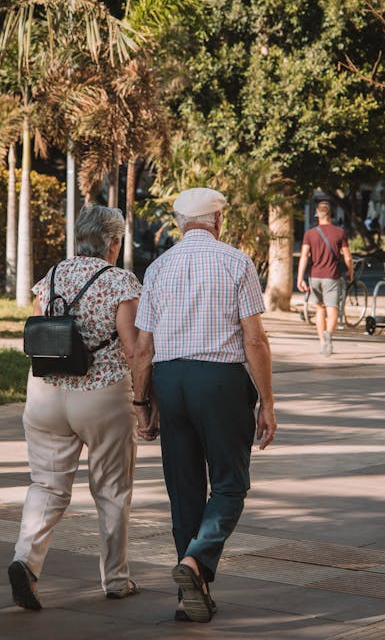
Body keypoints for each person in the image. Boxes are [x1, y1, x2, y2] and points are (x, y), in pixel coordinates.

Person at [132, 187, 277, 623]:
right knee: (231, 485)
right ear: (219, 221)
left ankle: (188, 597)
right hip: (220, 383)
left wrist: (142, 403)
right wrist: (267, 401)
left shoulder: (157, 267)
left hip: (170, 381)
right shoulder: (236, 261)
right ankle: (195, 563)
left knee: (184, 490)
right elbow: (254, 339)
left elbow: (142, 349)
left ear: (180, 223)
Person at [8, 205, 142, 610]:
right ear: (113, 242)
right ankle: (116, 580)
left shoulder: (52, 276)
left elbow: (37, 333)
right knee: (112, 490)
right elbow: (133, 348)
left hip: (45, 394)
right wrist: (145, 400)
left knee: (46, 485)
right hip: (101, 395)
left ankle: (25, 563)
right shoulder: (120, 281)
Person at [297, 200, 353, 356]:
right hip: (332, 276)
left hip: (314, 277)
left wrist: (300, 278)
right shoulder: (340, 233)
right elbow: (348, 258)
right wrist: (351, 272)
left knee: (319, 309)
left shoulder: (310, 234)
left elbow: (304, 256)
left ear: (317, 215)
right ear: (331, 215)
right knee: (333, 309)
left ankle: (323, 343)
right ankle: (329, 333)